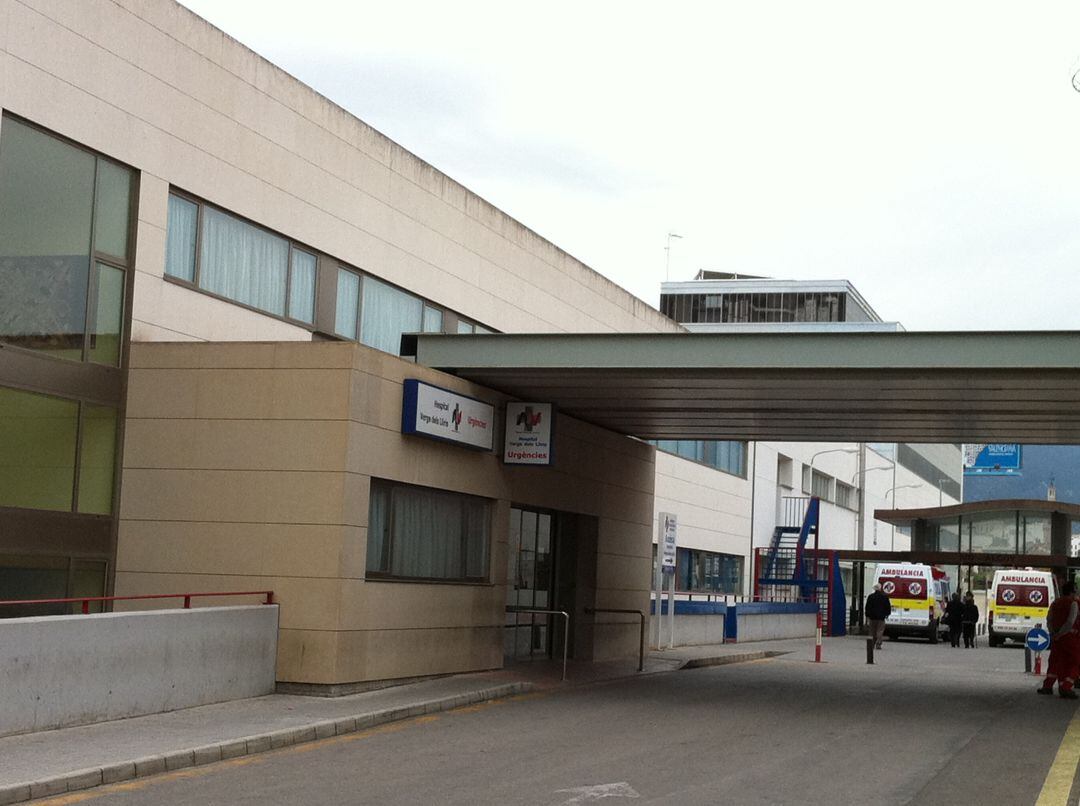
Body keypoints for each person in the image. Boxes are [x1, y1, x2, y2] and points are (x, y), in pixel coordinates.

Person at [1039, 581, 1080, 699]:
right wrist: (1062, 633)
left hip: (1057, 638)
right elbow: (1070, 622)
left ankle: (1048, 686)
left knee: (1056, 661)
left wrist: (1054, 633)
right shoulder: (1073, 603)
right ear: (1072, 591)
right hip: (1070, 638)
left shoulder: (1055, 603)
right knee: (1075, 662)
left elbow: (1049, 619)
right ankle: (1065, 686)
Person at [866, 583, 892, 650]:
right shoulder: (885, 597)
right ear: (880, 588)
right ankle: (878, 644)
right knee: (880, 631)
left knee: (872, 631)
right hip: (881, 617)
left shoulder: (871, 596)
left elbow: (867, 607)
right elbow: (888, 607)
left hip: (872, 617)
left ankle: (871, 644)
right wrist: (887, 614)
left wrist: (867, 615)